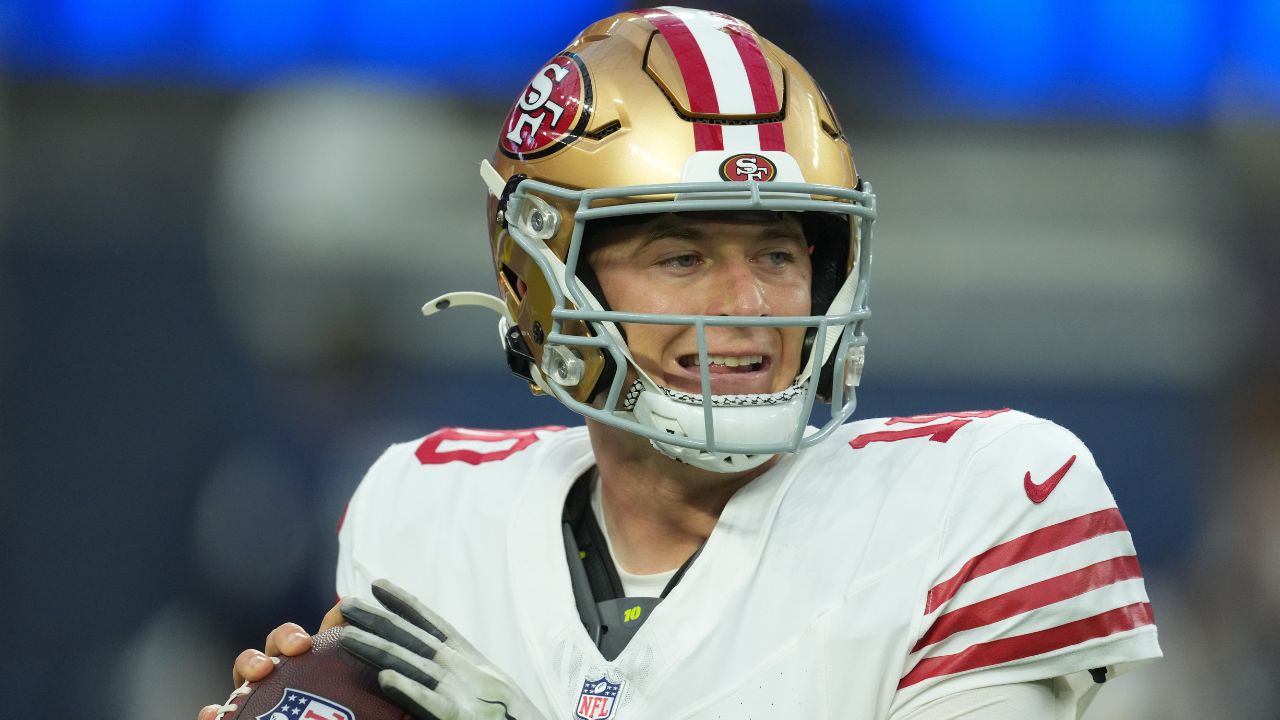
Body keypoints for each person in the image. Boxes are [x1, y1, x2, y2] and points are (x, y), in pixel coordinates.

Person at [200, 7, 1161, 719]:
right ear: (545, 278)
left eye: (779, 254)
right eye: (683, 257)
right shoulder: (426, 515)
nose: (746, 307)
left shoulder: (982, 503)